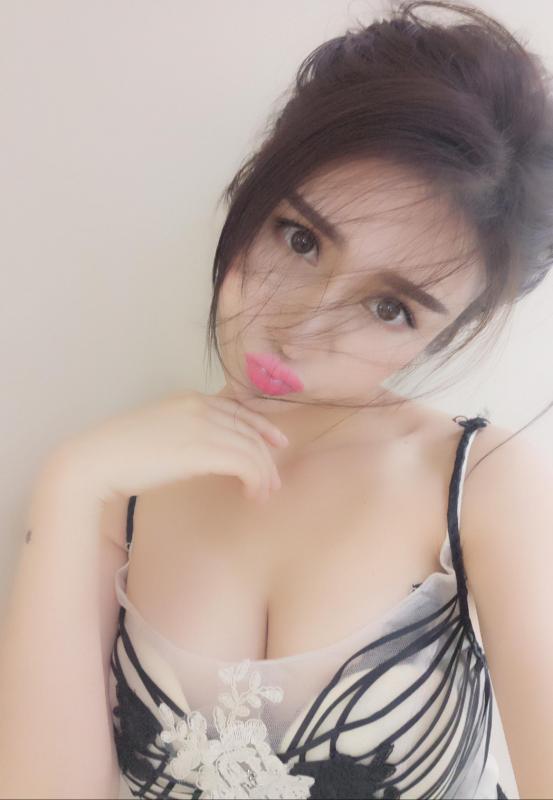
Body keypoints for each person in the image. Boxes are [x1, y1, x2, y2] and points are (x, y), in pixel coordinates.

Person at [1, 1, 553, 799]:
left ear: (439, 338)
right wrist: (70, 487)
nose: (299, 327)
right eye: (300, 239)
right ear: (256, 187)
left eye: (388, 308)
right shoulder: (119, 482)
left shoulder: (480, 483)